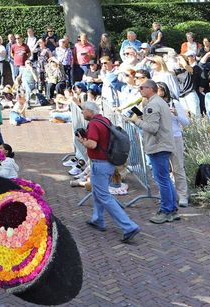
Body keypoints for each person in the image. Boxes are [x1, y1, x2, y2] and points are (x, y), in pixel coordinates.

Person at [75, 102, 139, 242]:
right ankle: (98, 219)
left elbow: (93, 144)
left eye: (83, 110)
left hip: (100, 164)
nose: (82, 112)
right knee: (98, 192)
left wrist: (82, 141)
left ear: (90, 111)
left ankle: (129, 226)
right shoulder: (104, 120)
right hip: (108, 163)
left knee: (104, 196)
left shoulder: (93, 124)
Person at [128, 79, 178, 224]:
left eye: (142, 88)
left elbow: (152, 128)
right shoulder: (160, 102)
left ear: (150, 89)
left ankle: (166, 211)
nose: (140, 90)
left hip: (158, 145)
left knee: (162, 180)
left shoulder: (153, 104)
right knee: (165, 179)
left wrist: (136, 121)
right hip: (163, 144)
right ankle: (172, 209)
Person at [157, 82, 190, 207]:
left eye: (158, 90)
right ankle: (166, 195)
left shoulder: (175, 103)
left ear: (164, 91)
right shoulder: (153, 104)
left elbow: (186, 122)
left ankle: (183, 195)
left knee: (178, 168)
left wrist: (176, 114)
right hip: (160, 138)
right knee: (163, 169)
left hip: (175, 137)